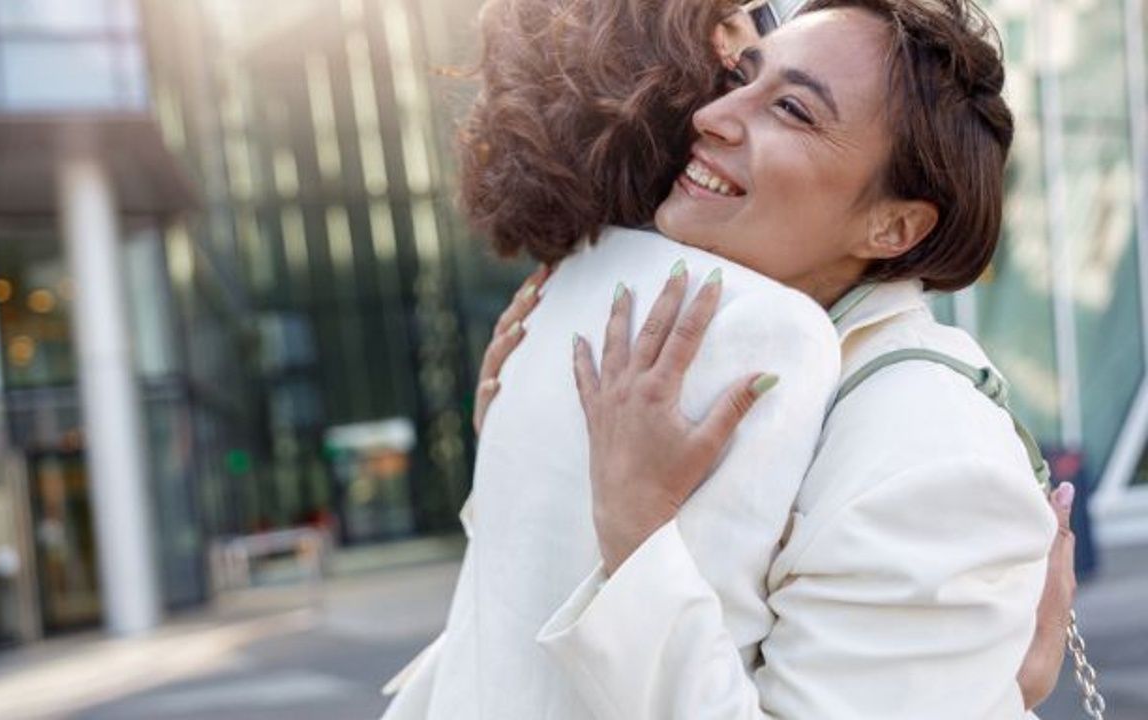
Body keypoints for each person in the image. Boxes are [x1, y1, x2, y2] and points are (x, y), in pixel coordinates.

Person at [382, 0, 1076, 717]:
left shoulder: (935, 455)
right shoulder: (709, 351)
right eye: (742, 78)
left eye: (793, 109)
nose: (710, 115)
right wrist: (526, 445)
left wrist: (638, 535)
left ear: (893, 224)